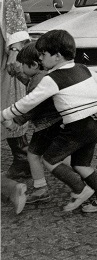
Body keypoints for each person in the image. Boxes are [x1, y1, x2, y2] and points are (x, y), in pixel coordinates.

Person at [1, 29, 97, 213]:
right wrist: (93, 106)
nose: (40, 58)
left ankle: (80, 189)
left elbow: (30, 102)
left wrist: (6, 114)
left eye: (43, 54)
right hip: (93, 124)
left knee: (50, 160)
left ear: (57, 56)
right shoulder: (81, 68)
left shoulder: (51, 79)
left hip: (77, 127)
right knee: (81, 165)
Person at [9, 43, 59, 203]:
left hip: (47, 125)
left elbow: (32, 105)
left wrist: (15, 121)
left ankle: (42, 189)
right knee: (61, 156)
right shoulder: (42, 76)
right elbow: (30, 82)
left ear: (34, 64)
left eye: (23, 65)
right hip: (53, 123)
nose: (21, 68)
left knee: (34, 155)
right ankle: (88, 177)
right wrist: (19, 74)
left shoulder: (39, 80)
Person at [0, 0, 31, 180]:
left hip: (2, 51)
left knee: (8, 102)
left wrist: (15, 50)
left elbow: (15, 17)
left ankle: (22, 159)